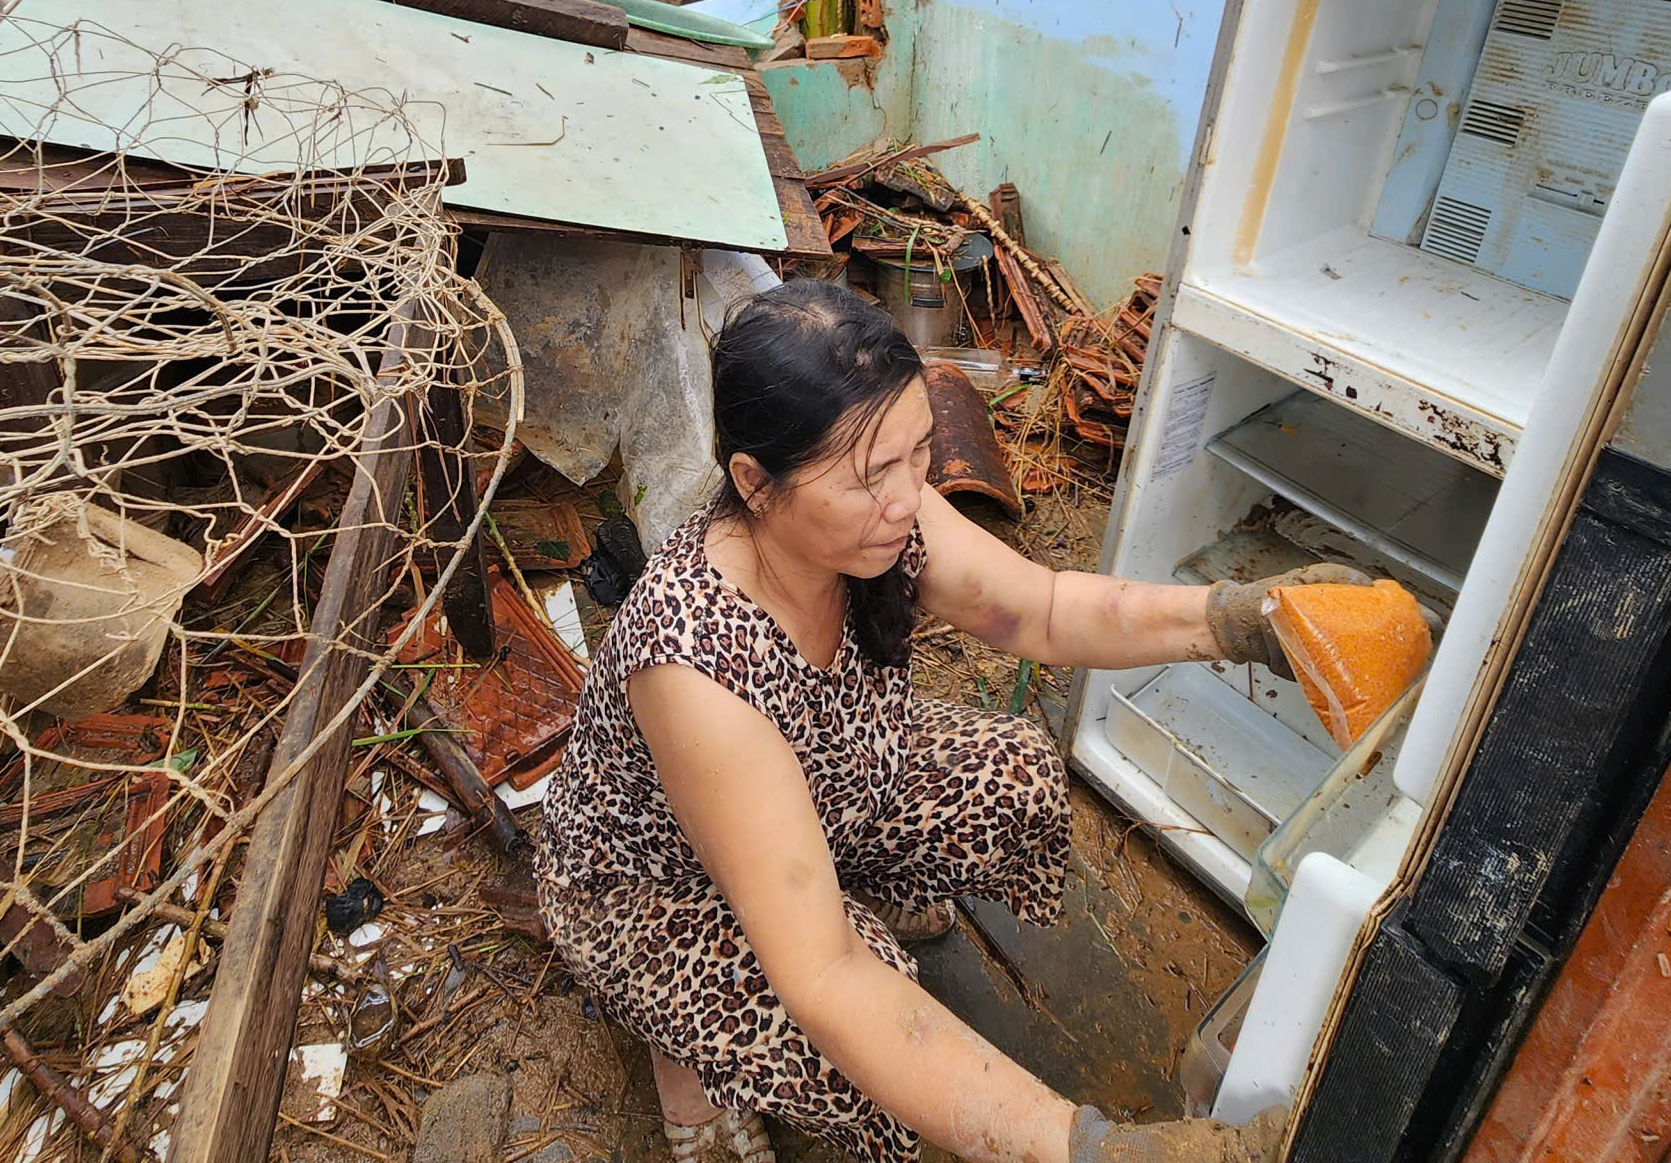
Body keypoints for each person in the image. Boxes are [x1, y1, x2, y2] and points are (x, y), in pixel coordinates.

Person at [537, 280, 1368, 1163]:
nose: (908, 498)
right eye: (869, 478)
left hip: (819, 788)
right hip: (656, 884)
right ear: (755, 483)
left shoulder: (880, 509)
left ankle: (834, 884)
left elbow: (1041, 610)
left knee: (1010, 775)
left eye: (918, 454)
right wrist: (1092, 1150)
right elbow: (826, 977)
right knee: (855, 1032)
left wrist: (1242, 620)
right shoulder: (693, 663)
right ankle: (687, 1059)